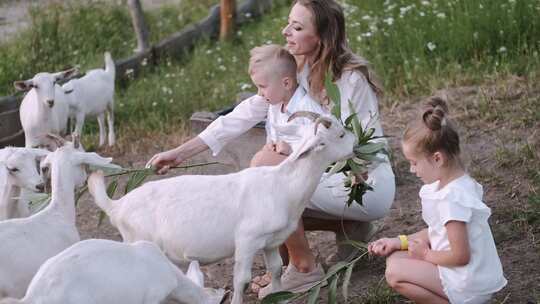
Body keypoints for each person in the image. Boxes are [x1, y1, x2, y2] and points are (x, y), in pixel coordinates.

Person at [147, 0, 396, 298]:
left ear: (322, 37)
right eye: (289, 22)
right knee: (267, 176)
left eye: (298, 27)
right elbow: (237, 118)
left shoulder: (350, 80)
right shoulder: (293, 69)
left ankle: (304, 269)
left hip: (362, 184)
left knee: (265, 173)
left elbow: (358, 145)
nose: (285, 31)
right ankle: (298, 258)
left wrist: (290, 148)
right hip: (321, 179)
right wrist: (179, 153)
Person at [368, 98, 507, 304]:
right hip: (461, 273)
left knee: (395, 271)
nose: (412, 170)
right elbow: (438, 232)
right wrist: (399, 242)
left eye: (414, 163)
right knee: (396, 257)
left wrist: (424, 254)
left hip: (466, 281)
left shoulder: (452, 199)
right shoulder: (455, 184)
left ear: (437, 158)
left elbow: (461, 255)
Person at [247, 44, 324, 164]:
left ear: (286, 84)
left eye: (262, 87)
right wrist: (270, 146)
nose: (260, 93)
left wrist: (292, 149)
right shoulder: (275, 106)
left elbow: (321, 144)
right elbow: (272, 134)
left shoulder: (307, 109)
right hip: (286, 164)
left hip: (306, 165)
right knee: (261, 159)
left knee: (260, 161)